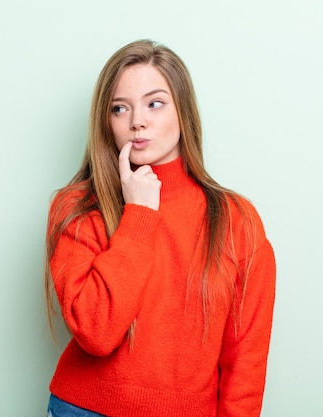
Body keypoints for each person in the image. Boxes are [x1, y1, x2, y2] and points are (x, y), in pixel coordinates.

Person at [45, 39, 276, 417]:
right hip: (85, 409)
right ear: (107, 123)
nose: (137, 120)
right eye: (120, 108)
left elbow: (246, 356)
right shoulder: (77, 208)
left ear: (182, 111)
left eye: (155, 103)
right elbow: (97, 332)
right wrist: (139, 215)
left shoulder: (236, 219)